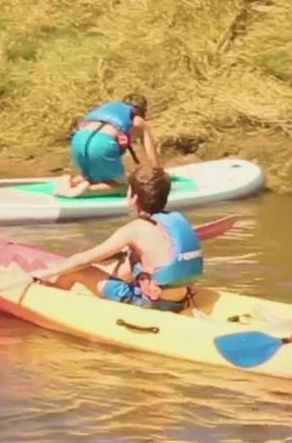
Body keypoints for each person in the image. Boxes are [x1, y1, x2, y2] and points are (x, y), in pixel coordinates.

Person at [47, 166, 202, 312]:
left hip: (154, 302)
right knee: (130, 256)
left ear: (133, 198)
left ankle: (51, 301)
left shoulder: (134, 229)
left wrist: (46, 273)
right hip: (182, 296)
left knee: (77, 271)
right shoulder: (175, 221)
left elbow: (82, 260)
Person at [56, 93, 159, 198]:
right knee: (127, 186)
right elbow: (153, 160)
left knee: (92, 177)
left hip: (78, 139)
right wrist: (159, 177)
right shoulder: (138, 121)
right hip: (101, 143)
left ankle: (71, 182)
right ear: (141, 111)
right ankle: (88, 191)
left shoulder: (109, 109)